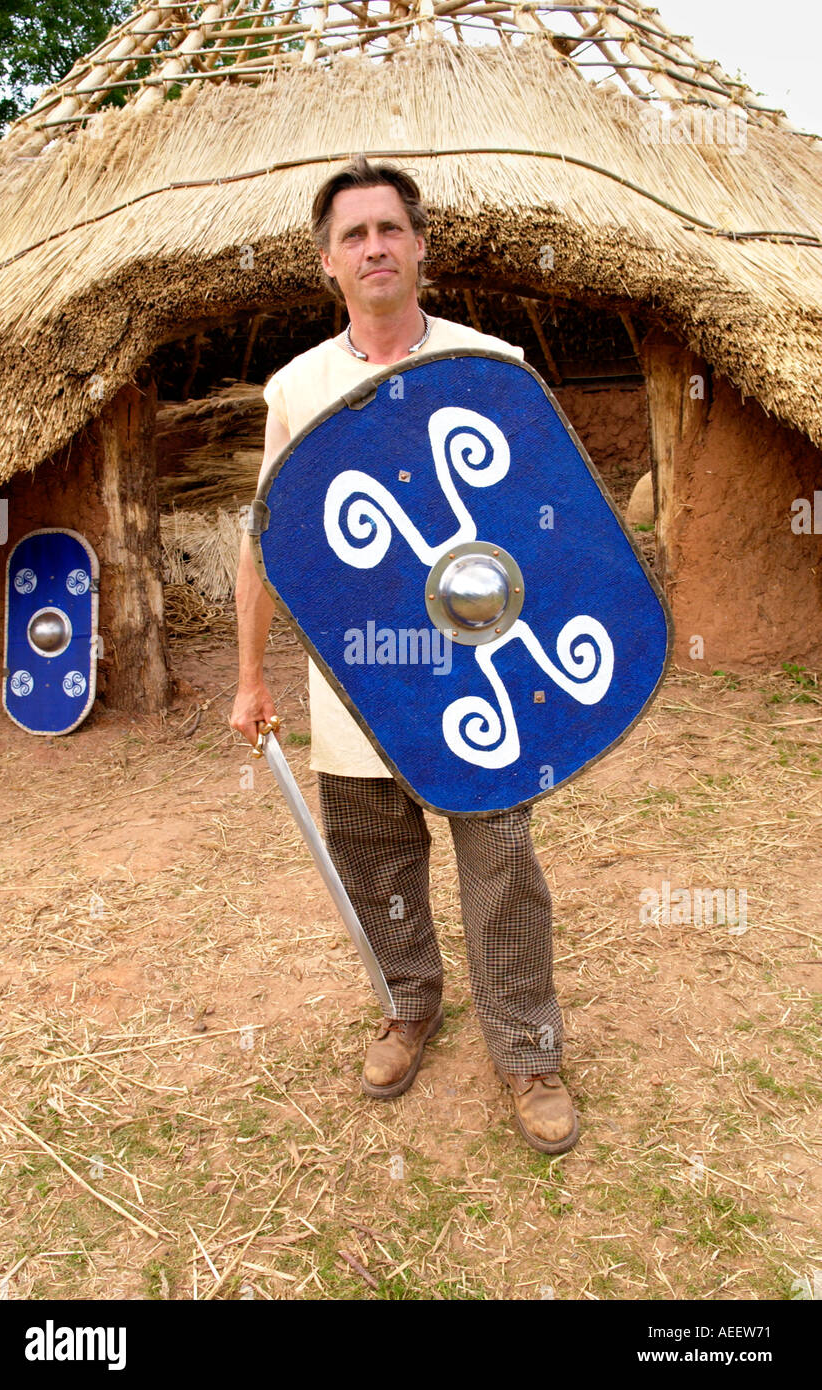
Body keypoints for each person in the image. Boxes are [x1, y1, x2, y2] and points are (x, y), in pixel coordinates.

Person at [230, 156, 579, 1155]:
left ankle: (528, 1048)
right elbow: (267, 538)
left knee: (501, 866)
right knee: (376, 854)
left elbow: (547, 533)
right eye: (354, 235)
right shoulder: (299, 387)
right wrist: (251, 677)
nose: (374, 247)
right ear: (327, 262)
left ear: (419, 245)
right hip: (358, 681)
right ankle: (409, 1002)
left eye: (390, 228)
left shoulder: (488, 362)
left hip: (483, 678)